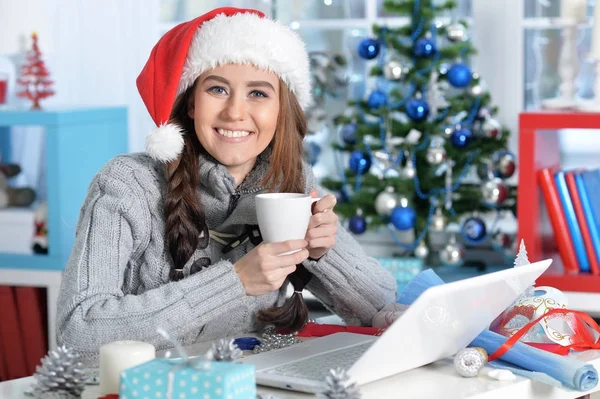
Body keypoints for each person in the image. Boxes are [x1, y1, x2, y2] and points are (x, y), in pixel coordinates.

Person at [56, 7, 397, 366]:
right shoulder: (128, 185)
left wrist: (324, 253)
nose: (235, 112)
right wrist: (234, 281)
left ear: (282, 109)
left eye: (258, 93)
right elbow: (78, 332)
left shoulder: (290, 181)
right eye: (218, 89)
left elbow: (383, 308)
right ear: (190, 103)